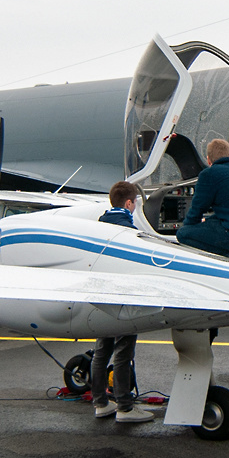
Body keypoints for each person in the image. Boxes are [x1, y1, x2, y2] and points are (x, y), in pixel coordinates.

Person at [90, 182, 155, 424]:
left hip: (100, 297)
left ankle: (100, 402)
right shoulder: (128, 229)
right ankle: (125, 406)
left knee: (101, 351)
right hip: (123, 297)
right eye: (135, 201)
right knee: (123, 352)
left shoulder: (97, 224)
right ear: (129, 203)